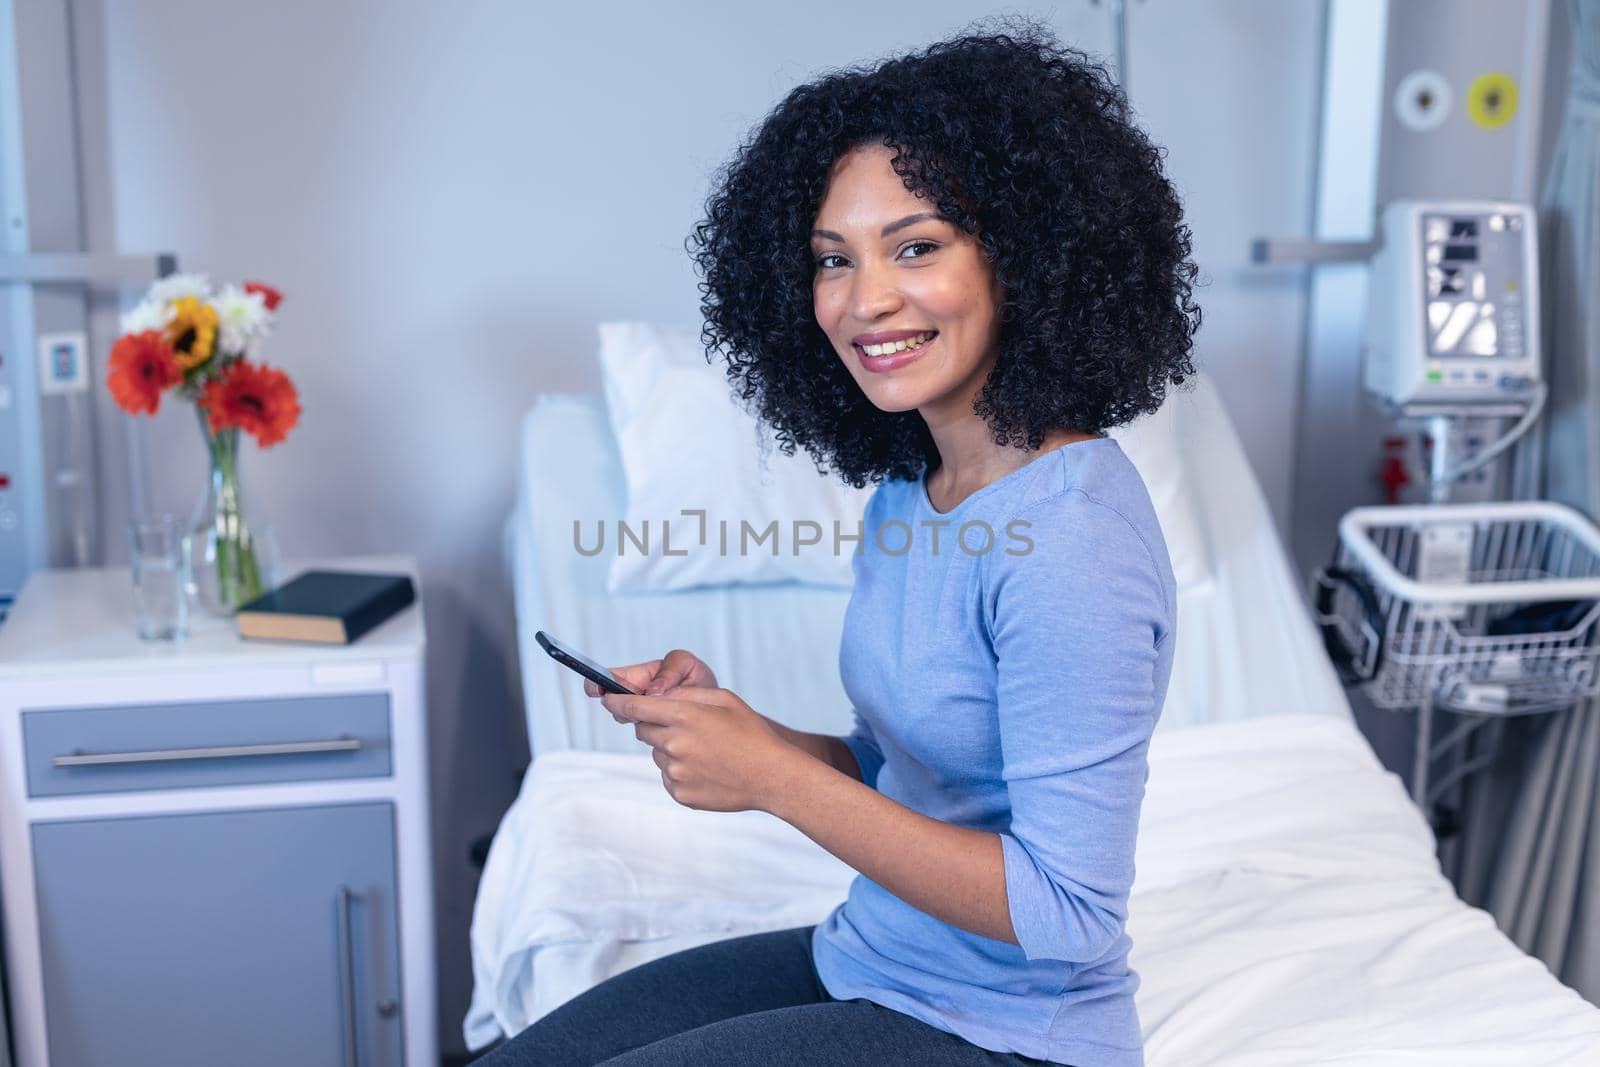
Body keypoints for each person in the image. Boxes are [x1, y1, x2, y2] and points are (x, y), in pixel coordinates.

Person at [476, 17, 1198, 1067]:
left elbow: (1068, 907)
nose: (865, 300)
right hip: (870, 958)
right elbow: (896, 766)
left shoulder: (1073, 537)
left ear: (1024, 253)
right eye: (831, 260)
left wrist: (772, 778)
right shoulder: (916, 489)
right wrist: (741, 729)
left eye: (915, 246)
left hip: (1007, 1036)